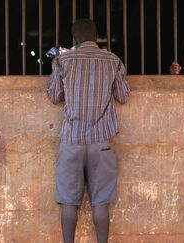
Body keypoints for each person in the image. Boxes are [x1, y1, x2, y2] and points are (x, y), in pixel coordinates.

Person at [46, 19, 130, 243]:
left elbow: (54, 96)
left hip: (71, 140)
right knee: (100, 203)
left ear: (74, 40)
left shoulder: (63, 60)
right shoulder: (112, 60)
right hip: (101, 142)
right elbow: (123, 96)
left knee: (69, 202)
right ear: (97, 37)